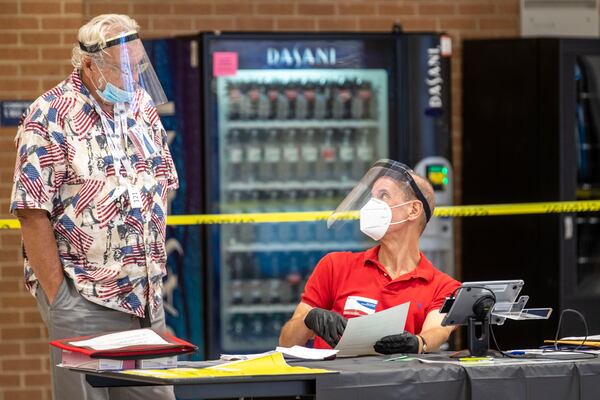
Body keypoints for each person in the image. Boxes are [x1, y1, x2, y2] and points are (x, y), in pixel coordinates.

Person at [10, 14, 178, 399]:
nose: (135, 80)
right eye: (125, 70)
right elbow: (31, 212)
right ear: (89, 63)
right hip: (85, 295)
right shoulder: (49, 114)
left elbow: (161, 183)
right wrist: (60, 297)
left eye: (139, 67)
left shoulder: (141, 109)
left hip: (145, 299)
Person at [279, 159, 460, 354]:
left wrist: (417, 343)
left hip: (396, 383)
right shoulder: (335, 266)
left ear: (413, 210)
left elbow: (437, 332)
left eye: (384, 196)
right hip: (331, 382)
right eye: (372, 197)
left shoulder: (443, 287)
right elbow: (286, 343)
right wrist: (308, 320)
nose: (371, 205)